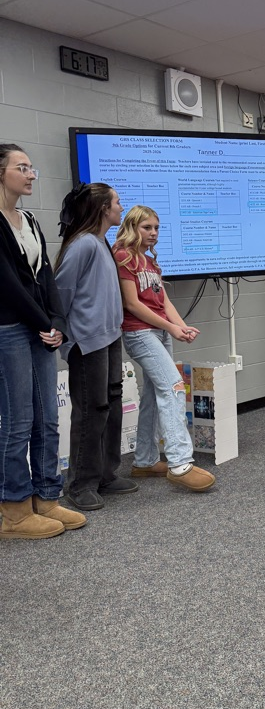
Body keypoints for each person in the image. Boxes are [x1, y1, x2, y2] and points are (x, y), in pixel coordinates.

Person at [0, 144, 86, 539]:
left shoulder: (30, 220)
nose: (32, 174)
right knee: (18, 422)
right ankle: (14, 511)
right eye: (23, 167)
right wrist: (44, 324)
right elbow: (10, 286)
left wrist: (58, 322)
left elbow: (44, 275)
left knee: (48, 418)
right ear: (1, 173)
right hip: (9, 329)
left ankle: (46, 497)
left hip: (40, 328)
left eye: (32, 167)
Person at [113, 206, 215, 493]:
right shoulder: (123, 255)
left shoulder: (150, 262)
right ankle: (180, 462)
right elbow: (131, 304)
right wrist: (170, 328)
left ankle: (144, 461)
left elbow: (164, 302)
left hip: (159, 332)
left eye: (157, 228)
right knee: (173, 388)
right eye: (147, 227)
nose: (153, 233)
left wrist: (180, 326)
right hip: (139, 333)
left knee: (153, 395)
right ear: (133, 226)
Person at [55, 183, 137, 511]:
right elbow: (61, 290)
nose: (121, 206)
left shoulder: (101, 241)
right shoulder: (83, 244)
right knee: (92, 410)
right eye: (117, 202)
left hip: (109, 335)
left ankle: (105, 474)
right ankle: (80, 484)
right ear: (104, 208)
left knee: (111, 404)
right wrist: (63, 333)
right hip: (88, 342)